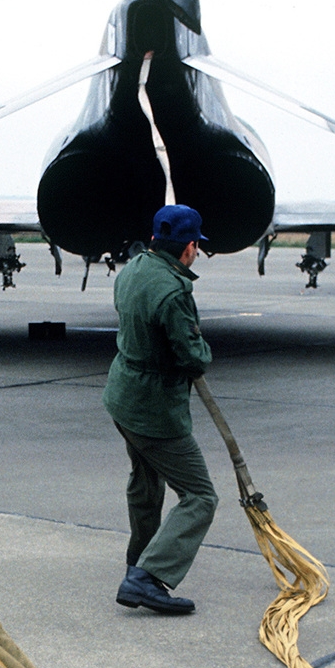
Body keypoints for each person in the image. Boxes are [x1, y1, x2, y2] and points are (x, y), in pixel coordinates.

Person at [102, 204, 218, 615]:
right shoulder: (173, 291)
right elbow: (192, 355)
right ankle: (146, 578)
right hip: (154, 410)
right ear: (188, 247)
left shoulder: (131, 269)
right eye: (196, 247)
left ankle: (139, 561)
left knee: (146, 482)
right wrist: (202, 349)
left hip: (122, 398)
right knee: (200, 496)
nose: (196, 253)